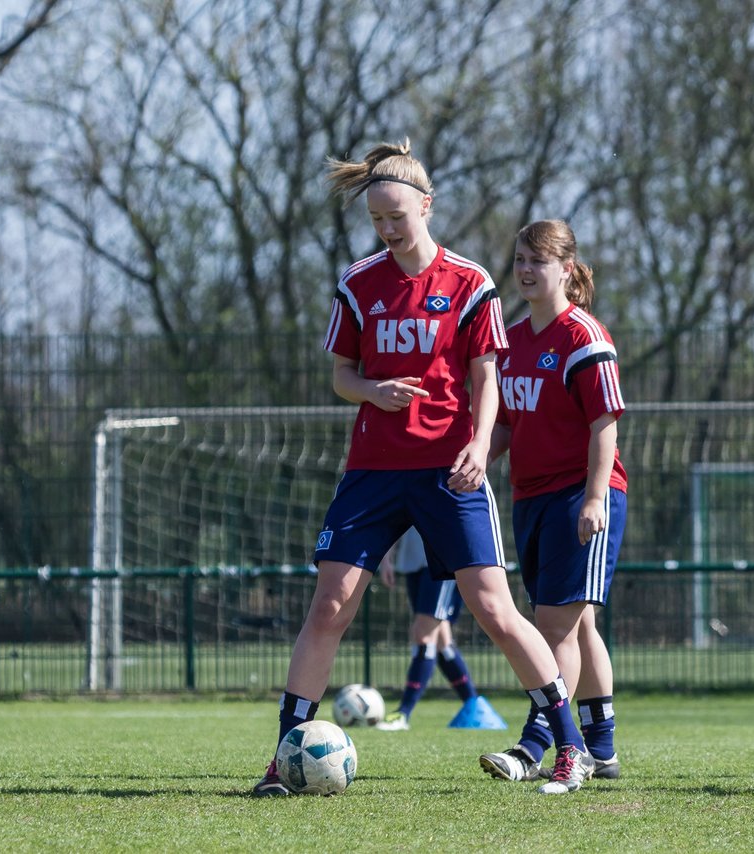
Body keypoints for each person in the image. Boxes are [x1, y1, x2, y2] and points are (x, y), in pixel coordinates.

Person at [252, 141, 592, 797]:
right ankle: (283, 760)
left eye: (397, 216)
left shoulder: (470, 284)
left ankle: (569, 748)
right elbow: (343, 375)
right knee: (329, 605)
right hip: (373, 472)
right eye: (377, 219)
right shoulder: (359, 283)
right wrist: (371, 391)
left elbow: (486, 373)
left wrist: (478, 441)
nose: (387, 229)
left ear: (427, 206)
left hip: (447, 469)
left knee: (492, 607)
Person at [478, 219, 626, 784]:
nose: (524, 270)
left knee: (553, 626)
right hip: (531, 498)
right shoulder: (511, 341)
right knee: (579, 626)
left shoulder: (583, 335)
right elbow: (507, 427)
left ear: (566, 267)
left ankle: (538, 745)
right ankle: (602, 748)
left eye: (537, 261)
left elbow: (604, 421)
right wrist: (474, 461)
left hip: (581, 495)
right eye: (518, 259)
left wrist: (594, 496)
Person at [375, 526, 504, 731]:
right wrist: (386, 559)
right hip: (412, 561)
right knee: (442, 639)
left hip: (442, 559)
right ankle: (474, 705)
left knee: (423, 634)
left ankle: (403, 713)